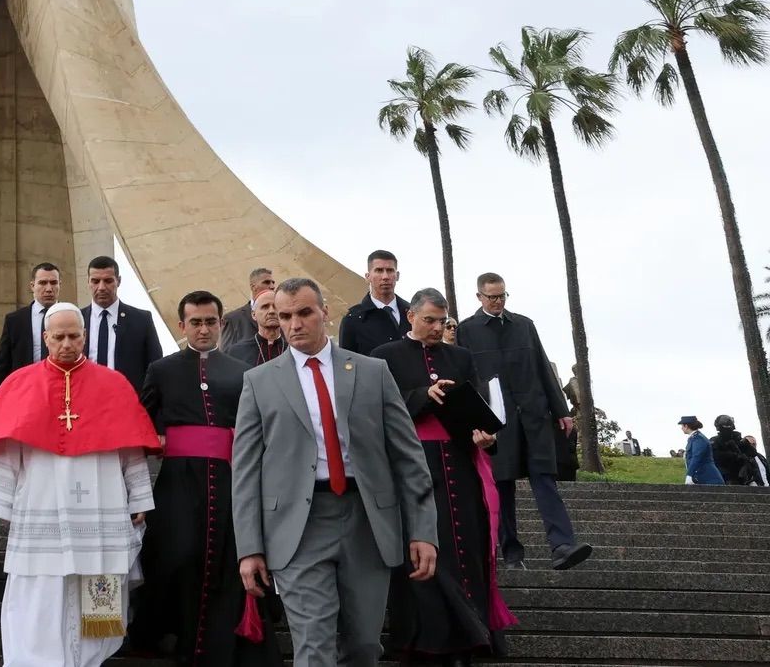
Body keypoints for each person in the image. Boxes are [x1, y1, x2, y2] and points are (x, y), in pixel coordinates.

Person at [233, 277, 438, 667]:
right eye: (285, 315)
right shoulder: (259, 382)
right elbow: (245, 470)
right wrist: (249, 548)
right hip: (296, 527)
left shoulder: (373, 372)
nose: (295, 324)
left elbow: (409, 457)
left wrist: (423, 531)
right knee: (313, 645)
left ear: (325, 313)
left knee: (363, 645)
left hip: (367, 520)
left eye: (305, 313)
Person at [0, 302, 161, 666]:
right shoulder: (19, 384)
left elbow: (131, 450)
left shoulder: (114, 385)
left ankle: (91, 659)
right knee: (39, 592)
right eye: (58, 336)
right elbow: (7, 451)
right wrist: (3, 505)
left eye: (74, 335)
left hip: (100, 515)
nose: (67, 343)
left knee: (100, 593)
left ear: (85, 336)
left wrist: (138, 497)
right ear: (45, 338)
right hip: (41, 513)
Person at [135, 291, 281, 667]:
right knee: (176, 554)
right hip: (177, 483)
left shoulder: (241, 372)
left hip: (231, 480)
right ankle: (170, 635)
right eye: (195, 322)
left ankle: (218, 643)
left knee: (225, 563)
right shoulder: (161, 370)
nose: (203, 329)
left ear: (222, 324)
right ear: (182, 326)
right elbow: (139, 421)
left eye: (210, 322)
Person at [374, 288, 515, 664]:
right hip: (411, 462)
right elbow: (375, 411)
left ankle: (472, 631)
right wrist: (423, 395)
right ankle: (426, 636)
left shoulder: (461, 357)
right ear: (411, 317)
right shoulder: (383, 357)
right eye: (429, 320)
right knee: (422, 550)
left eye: (442, 321)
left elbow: (478, 405)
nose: (437, 328)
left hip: (459, 461)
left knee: (466, 544)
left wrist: (485, 436)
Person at [456, 273, 592, 571]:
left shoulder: (524, 325)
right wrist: (472, 423)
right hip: (496, 423)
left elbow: (543, 367)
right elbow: (467, 379)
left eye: (503, 295)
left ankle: (562, 545)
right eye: (492, 296)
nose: (498, 301)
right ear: (479, 296)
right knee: (502, 487)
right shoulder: (467, 331)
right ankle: (512, 555)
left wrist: (561, 410)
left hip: (533, 416)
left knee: (545, 480)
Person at [82, 255, 163, 393]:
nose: (101, 287)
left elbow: (156, 367)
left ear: (118, 281)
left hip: (127, 401)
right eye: (95, 281)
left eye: (108, 281)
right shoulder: (76, 320)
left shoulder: (141, 320)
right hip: (86, 401)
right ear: (88, 282)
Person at [0, 262, 63, 386]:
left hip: (62, 387)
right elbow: (2, 365)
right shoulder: (15, 320)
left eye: (53, 283)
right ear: (32, 286)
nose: (48, 289)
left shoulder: (73, 317)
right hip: (26, 388)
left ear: (60, 285)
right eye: (42, 283)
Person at [338, 250, 411, 355]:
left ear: (397, 275)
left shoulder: (413, 314)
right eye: (379, 270)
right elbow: (347, 361)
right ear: (368, 277)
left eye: (390, 270)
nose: (385, 277)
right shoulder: (353, 319)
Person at [218, 267, 275, 355]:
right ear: (253, 287)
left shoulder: (282, 313)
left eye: (273, 282)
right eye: (266, 282)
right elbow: (225, 356)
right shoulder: (233, 319)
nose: (272, 286)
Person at [227, 289, 287, 368]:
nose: (272, 311)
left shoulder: (293, 350)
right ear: (253, 314)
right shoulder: (237, 351)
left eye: (276, 306)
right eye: (265, 307)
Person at [709, 416, 755, 486]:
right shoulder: (715, 441)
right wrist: (733, 455)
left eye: (728, 426)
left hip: (740, 476)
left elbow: (753, 453)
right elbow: (714, 455)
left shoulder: (739, 439)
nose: (726, 429)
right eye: (724, 426)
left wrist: (743, 455)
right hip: (722, 475)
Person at [679, 416, 724, 484]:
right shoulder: (694, 438)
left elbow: (697, 457)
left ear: (686, 426)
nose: (681, 428)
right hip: (702, 478)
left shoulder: (699, 439)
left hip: (709, 479)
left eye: (682, 425)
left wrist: (689, 475)